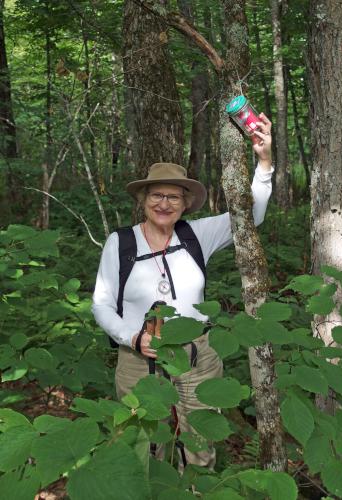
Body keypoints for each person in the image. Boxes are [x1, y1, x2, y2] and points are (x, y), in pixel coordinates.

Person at [92, 113, 273, 468]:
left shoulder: (196, 236)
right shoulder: (121, 242)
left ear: (186, 203)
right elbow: (100, 304)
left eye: (174, 197)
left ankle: (195, 489)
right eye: (157, 195)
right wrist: (131, 338)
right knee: (140, 446)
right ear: (143, 199)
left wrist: (264, 162)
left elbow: (252, 215)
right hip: (137, 360)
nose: (164, 203)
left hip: (198, 357)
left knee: (200, 445)